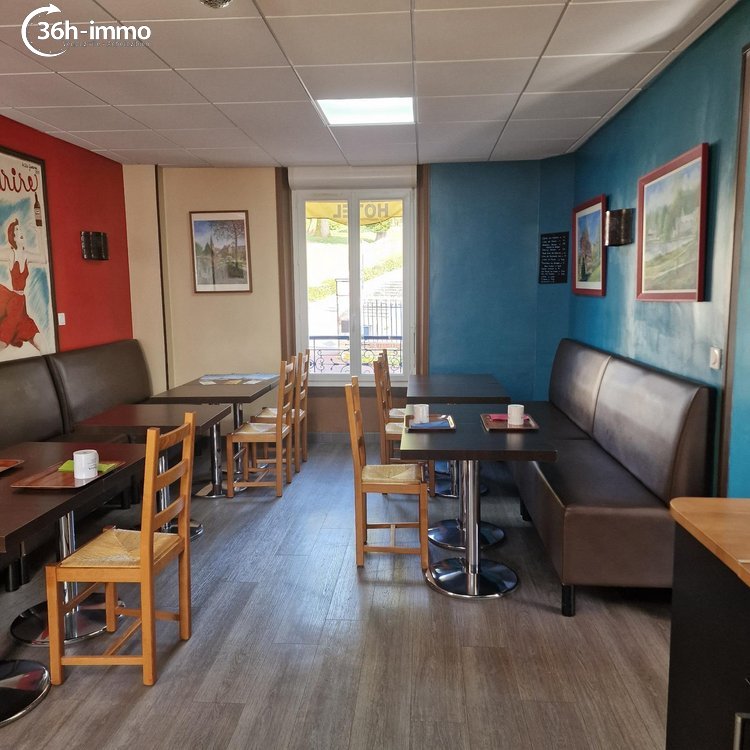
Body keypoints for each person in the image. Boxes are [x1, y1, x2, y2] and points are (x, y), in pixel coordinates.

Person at [0, 218, 43, 352]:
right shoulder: (10, 254)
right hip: (13, 305)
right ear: (13, 237)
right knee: (3, 343)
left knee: (42, 344)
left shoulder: (27, 255)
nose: (21, 232)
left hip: (22, 307)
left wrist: (39, 230)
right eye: (17, 230)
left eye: (20, 229)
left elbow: (43, 258)